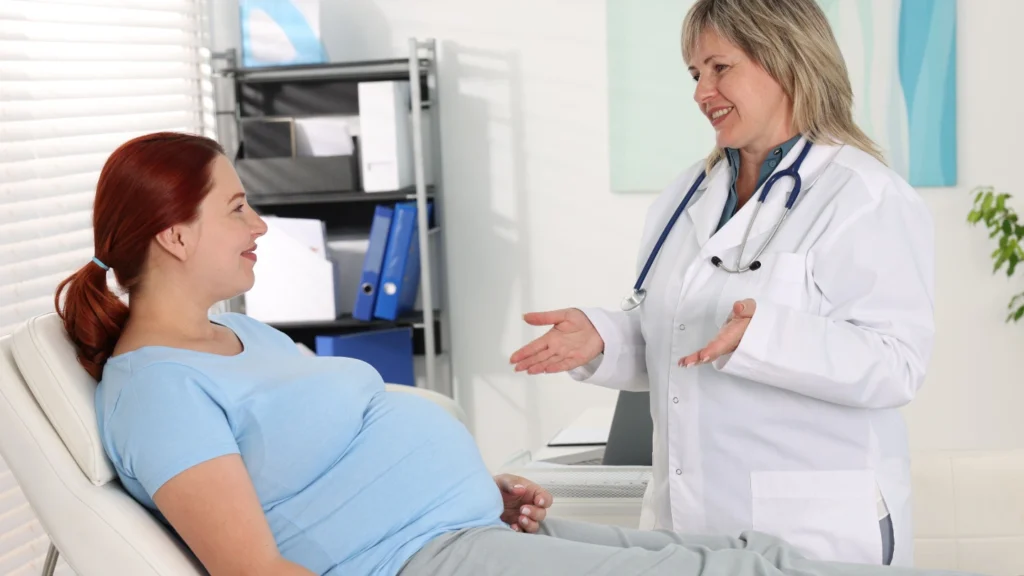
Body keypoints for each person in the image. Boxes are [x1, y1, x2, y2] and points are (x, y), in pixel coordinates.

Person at [55, 131, 963, 576]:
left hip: (469, 527)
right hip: (426, 562)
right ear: (172, 237)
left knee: (739, 554)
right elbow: (257, 574)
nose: (259, 225)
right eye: (237, 207)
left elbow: (316, 461)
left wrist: (476, 485)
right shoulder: (157, 392)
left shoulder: (235, 332)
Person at [510, 0, 934, 569]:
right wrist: (605, 338)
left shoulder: (863, 194)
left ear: (785, 59)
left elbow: (897, 363)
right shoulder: (688, 193)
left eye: (718, 67)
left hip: (815, 526)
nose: (700, 92)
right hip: (690, 517)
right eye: (694, 74)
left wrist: (765, 338)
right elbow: (685, 339)